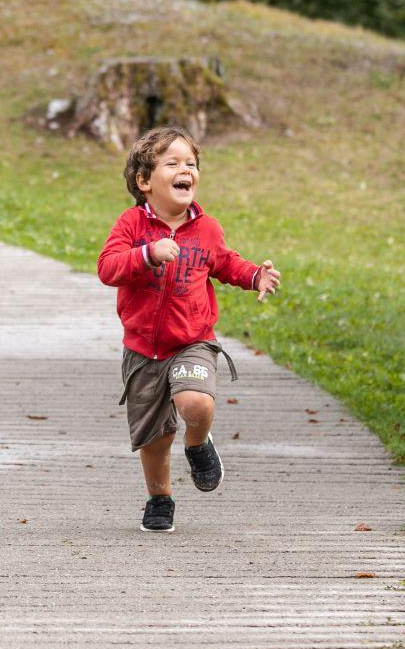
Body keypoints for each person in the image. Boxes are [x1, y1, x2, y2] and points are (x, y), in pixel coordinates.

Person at [96, 125, 281, 533]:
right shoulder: (131, 225)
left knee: (196, 403)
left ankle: (198, 443)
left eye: (191, 163)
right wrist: (146, 254)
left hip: (192, 341)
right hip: (143, 350)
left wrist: (255, 277)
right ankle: (160, 499)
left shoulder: (206, 228)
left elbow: (226, 262)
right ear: (144, 181)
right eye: (173, 163)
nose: (186, 170)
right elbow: (107, 268)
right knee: (155, 438)